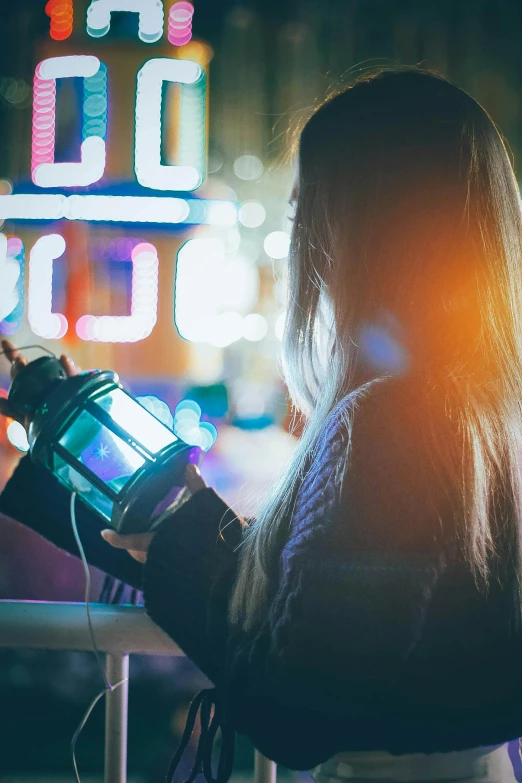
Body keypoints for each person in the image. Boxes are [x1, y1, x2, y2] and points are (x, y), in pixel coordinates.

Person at [2, 62, 522, 783]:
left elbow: (297, 703)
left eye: (305, 209)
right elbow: (320, 600)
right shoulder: (482, 410)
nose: (294, 238)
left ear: (358, 230)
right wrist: (148, 504)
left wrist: (175, 526)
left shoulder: (388, 423)